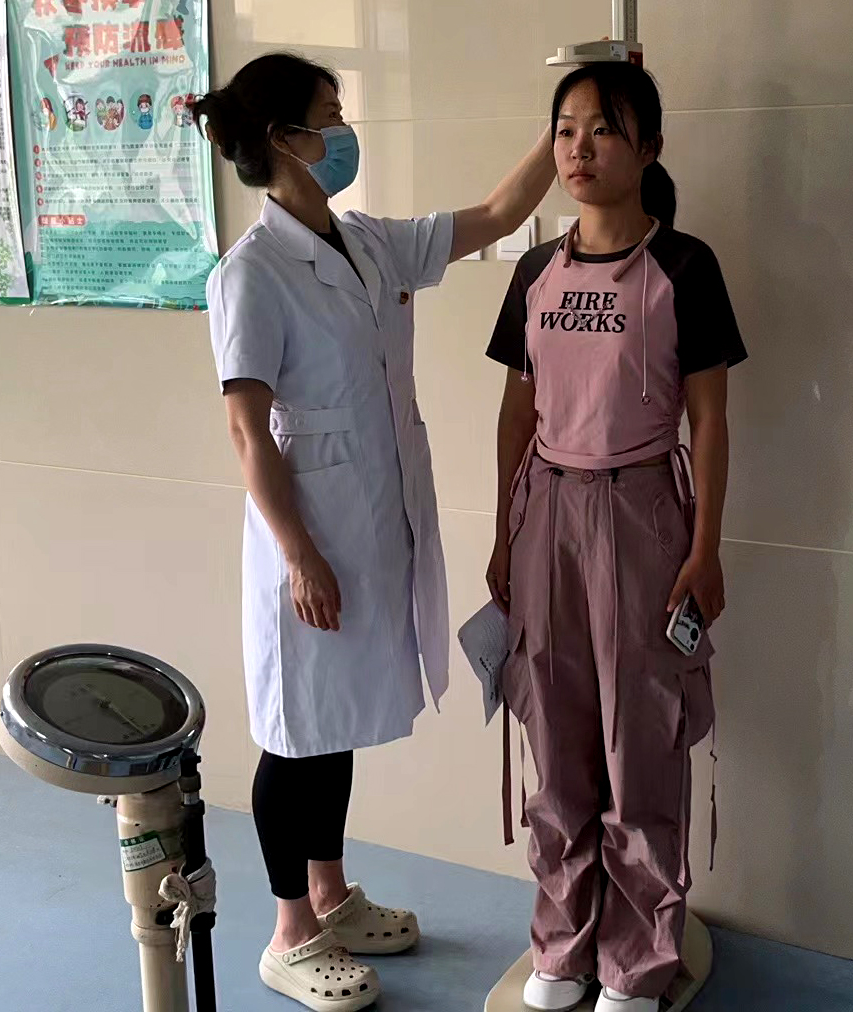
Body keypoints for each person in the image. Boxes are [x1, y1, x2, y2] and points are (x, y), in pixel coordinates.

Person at [193, 52, 555, 1012]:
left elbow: (497, 215)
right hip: (308, 533)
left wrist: (563, 123)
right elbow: (246, 429)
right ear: (284, 140)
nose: (343, 130)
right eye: (329, 115)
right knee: (295, 735)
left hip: (370, 518)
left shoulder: (364, 243)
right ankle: (288, 933)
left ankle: (331, 894)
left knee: (337, 718)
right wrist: (299, 555)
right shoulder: (251, 272)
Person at [485, 61, 746, 1012]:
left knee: (640, 736)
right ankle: (562, 944)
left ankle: (637, 959)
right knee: (555, 731)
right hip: (547, 510)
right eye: (566, 129)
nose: (580, 148)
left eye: (602, 128)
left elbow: (709, 419)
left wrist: (705, 545)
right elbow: (517, 412)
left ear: (649, 148)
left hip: (642, 512)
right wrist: (504, 532)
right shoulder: (534, 273)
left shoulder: (686, 267)